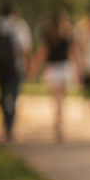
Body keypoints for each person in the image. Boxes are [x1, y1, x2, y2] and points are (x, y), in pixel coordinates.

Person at [0, 1, 32, 140]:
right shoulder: (19, 25)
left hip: (0, 67)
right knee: (14, 94)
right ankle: (11, 123)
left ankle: (6, 121)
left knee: (3, 93)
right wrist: (28, 64)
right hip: (16, 66)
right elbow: (25, 48)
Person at [31, 9, 77, 142]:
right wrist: (78, 69)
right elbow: (73, 53)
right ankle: (60, 123)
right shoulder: (67, 35)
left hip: (52, 69)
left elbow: (41, 53)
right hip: (63, 68)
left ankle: (58, 122)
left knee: (56, 99)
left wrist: (34, 68)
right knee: (62, 99)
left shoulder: (49, 36)